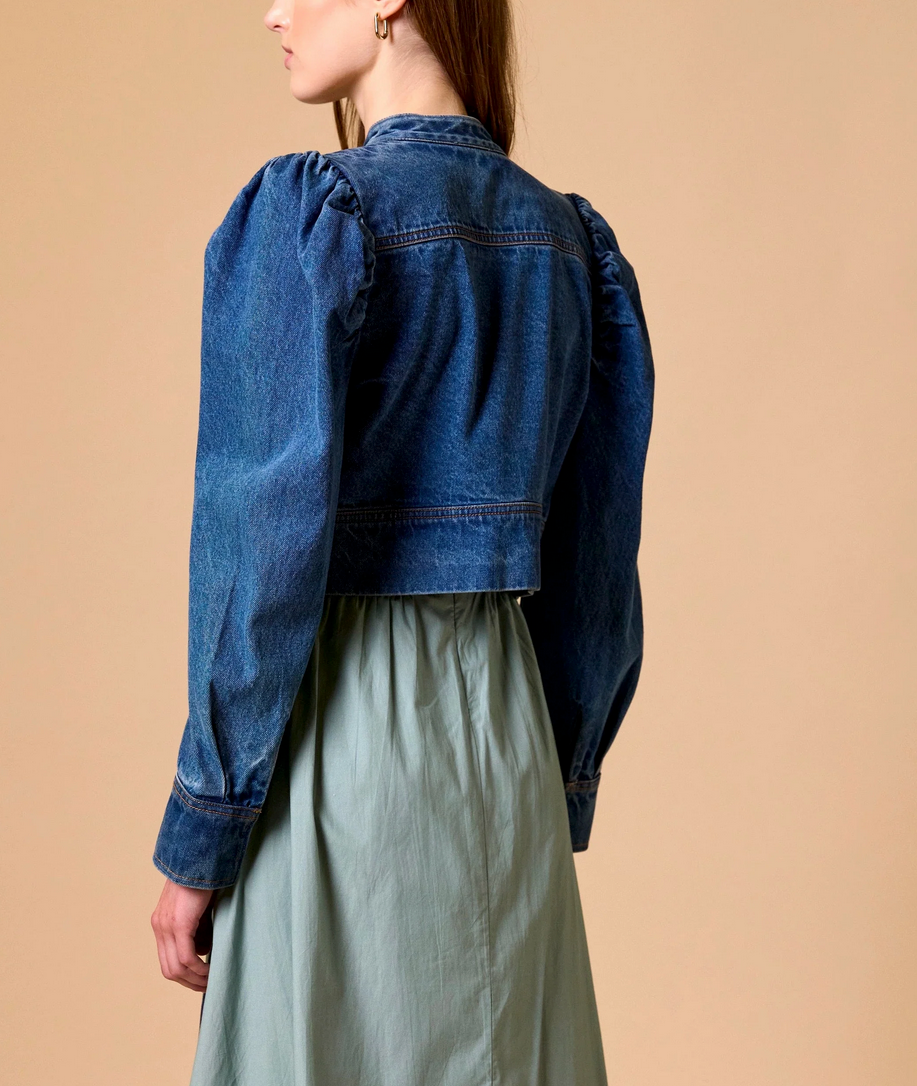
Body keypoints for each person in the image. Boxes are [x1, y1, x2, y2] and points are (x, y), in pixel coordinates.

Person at [150, 0, 654, 1083]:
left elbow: (262, 547)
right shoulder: (568, 244)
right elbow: (597, 562)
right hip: (504, 733)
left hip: (343, 736)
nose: (272, 12)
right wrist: (559, 774)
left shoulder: (318, 217)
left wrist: (202, 830)